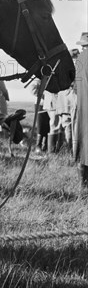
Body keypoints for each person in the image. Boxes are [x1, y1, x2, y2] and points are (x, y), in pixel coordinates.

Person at [74, 32, 88, 193]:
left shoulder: (79, 60)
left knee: (83, 142)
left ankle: (82, 185)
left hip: (83, 106)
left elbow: (76, 87)